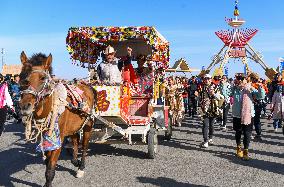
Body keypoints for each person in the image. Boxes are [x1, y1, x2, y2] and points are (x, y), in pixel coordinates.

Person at [231, 74, 263, 160]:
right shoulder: (234, 89)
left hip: (248, 115)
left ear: (246, 80)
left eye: (243, 79)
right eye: (238, 79)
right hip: (237, 114)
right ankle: (238, 147)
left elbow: (261, 96)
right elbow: (226, 93)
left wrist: (260, 87)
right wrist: (231, 85)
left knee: (247, 133)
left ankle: (245, 151)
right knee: (238, 132)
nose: (241, 80)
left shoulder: (250, 88)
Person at [200, 74, 224, 148]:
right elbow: (199, 97)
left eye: (208, 79)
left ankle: (210, 138)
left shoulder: (216, 87)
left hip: (213, 108)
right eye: (205, 79)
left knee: (211, 125)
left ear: (211, 79)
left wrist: (213, 94)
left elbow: (221, 97)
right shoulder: (201, 87)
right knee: (205, 124)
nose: (207, 80)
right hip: (204, 108)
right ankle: (205, 140)